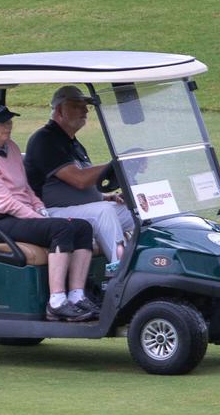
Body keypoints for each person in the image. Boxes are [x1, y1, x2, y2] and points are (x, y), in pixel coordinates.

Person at [0, 100, 98, 320]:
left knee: (82, 227)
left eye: (9, 121)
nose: (7, 126)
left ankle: (76, 296)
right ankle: (56, 302)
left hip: (16, 215)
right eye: (0, 122)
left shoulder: (11, 148)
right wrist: (37, 218)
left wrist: (40, 209)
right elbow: (3, 202)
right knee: (61, 230)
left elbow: (24, 188)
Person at [24, 86, 136, 277]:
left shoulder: (72, 142)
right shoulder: (45, 140)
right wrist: (117, 163)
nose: (85, 111)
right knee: (104, 212)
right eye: (77, 106)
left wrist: (104, 196)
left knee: (137, 208)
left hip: (79, 209)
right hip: (49, 213)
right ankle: (123, 277)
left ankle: (149, 264)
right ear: (59, 110)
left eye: (86, 106)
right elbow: (79, 180)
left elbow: (87, 182)